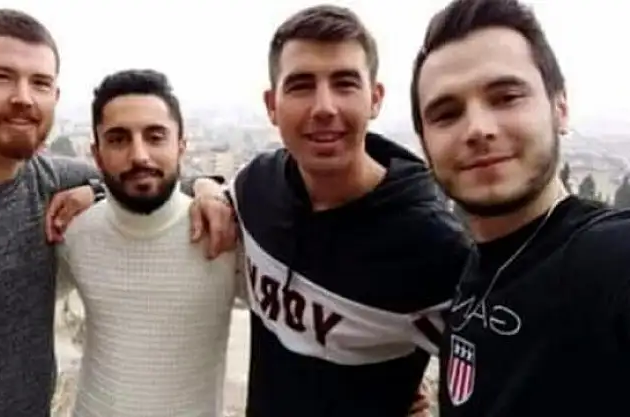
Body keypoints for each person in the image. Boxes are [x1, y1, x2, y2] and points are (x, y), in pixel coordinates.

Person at [0, 9, 232, 416]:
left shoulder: (48, 181)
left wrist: (208, 189)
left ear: (55, 95)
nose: (23, 97)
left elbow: (142, 177)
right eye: (2, 77)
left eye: (40, 82)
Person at [193, 5, 471, 417]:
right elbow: (211, 194)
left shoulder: (432, 246)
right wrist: (206, 189)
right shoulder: (256, 187)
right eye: (301, 85)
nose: (324, 107)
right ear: (272, 105)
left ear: (375, 98)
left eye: (344, 83)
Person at [411, 0, 630, 416]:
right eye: (446, 114)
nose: (478, 129)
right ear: (424, 145)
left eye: (506, 97)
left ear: (559, 107)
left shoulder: (610, 258)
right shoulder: (473, 275)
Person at [56, 69, 242, 417]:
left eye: (155, 137)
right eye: (118, 139)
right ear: (97, 155)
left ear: (181, 146)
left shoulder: (224, 234)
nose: (139, 155)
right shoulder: (75, 234)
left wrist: (210, 188)